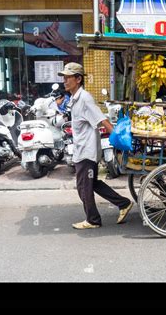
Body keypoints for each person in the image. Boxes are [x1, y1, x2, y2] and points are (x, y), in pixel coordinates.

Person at [58, 62, 133, 229]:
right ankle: (123, 203)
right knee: (91, 183)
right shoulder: (75, 98)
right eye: (63, 77)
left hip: (87, 151)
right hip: (82, 149)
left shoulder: (84, 98)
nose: (64, 80)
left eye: (68, 77)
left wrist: (117, 138)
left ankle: (93, 220)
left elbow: (101, 119)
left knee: (84, 186)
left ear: (78, 79)